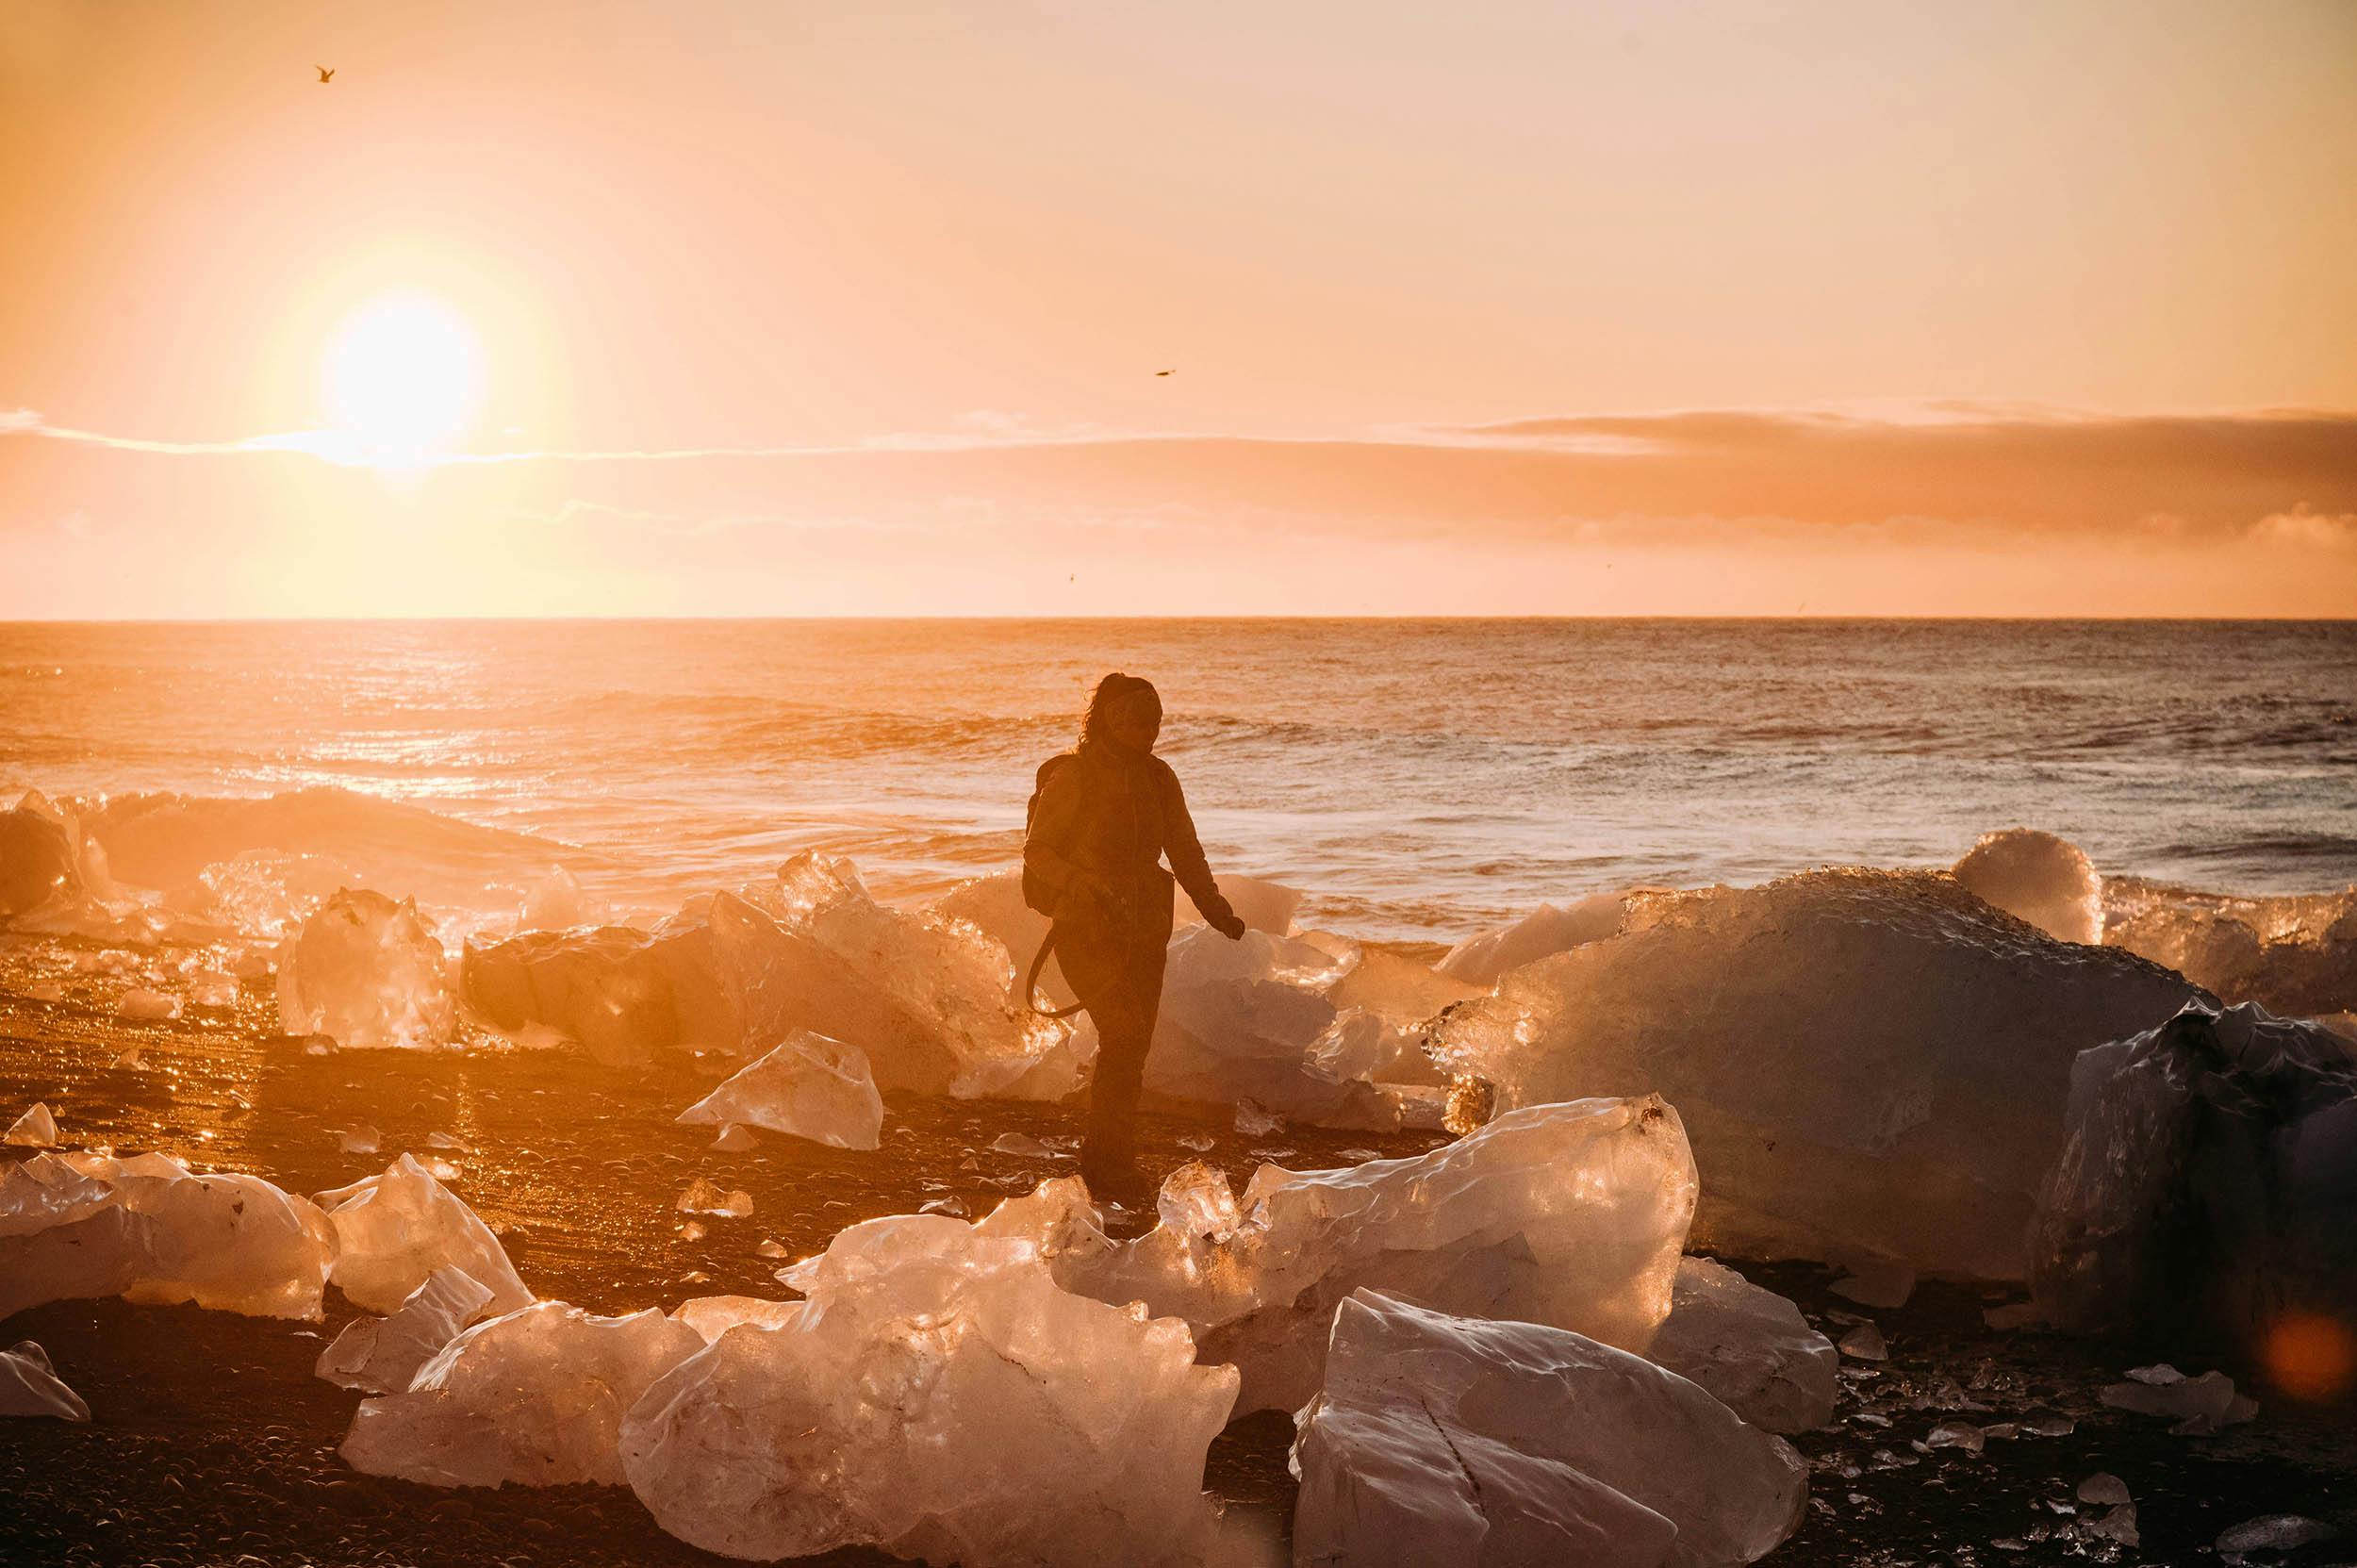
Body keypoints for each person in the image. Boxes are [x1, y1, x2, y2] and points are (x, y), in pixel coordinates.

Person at [1023, 672, 1245, 1197]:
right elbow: (1038, 852)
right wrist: (1082, 884)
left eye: (1156, 722)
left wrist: (1215, 908)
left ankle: (1107, 1159)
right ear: (1109, 719)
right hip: (1086, 932)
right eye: (1138, 720)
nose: (1149, 731)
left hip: (1146, 930)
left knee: (1133, 1046)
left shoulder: (1160, 779)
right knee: (1122, 1035)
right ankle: (1105, 1163)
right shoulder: (1073, 777)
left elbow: (1186, 852)